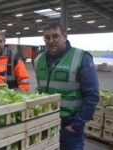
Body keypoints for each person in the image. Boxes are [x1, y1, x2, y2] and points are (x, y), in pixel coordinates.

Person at [34, 22, 99, 150]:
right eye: (47, 38)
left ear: (64, 37)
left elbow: (92, 95)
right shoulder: (38, 60)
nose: (51, 41)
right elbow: (40, 90)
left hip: (69, 126)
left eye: (55, 36)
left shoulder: (81, 57)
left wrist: (76, 125)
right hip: (45, 123)